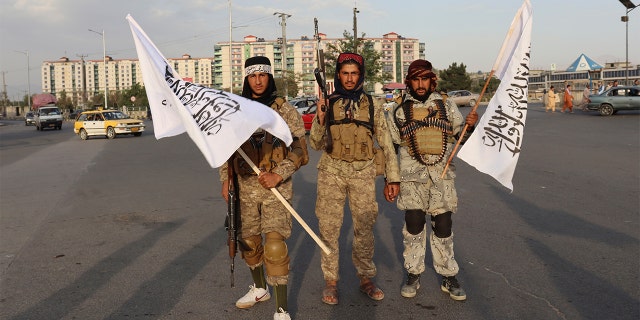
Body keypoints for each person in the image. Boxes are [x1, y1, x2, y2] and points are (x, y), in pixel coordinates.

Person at [218, 56, 308, 320]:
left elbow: (300, 150)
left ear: (270, 77)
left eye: (263, 75)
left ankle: (281, 308)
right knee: (248, 243)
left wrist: (278, 175)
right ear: (246, 79)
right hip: (244, 188)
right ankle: (259, 288)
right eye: (252, 76)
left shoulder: (284, 110)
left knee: (275, 246)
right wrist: (225, 178)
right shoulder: (237, 109)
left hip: (275, 190)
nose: (258, 81)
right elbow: (225, 147)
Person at [308, 52, 401, 305]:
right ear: (338, 75)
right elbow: (315, 143)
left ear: (361, 76)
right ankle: (331, 281)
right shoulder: (330, 102)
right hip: (331, 172)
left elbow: (386, 144)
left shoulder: (373, 105)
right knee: (329, 229)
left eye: (354, 74)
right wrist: (320, 117)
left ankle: (365, 278)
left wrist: (392, 179)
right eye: (345, 73)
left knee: (364, 228)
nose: (349, 79)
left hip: (363, 172)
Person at [384, 59, 477, 301]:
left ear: (431, 80)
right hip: (411, 177)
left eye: (425, 78)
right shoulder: (398, 110)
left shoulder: (446, 106)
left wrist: (471, 127)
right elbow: (390, 149)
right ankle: (413, 273)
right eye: (416, 79)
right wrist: (391, 180)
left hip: (442, 176)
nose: (420, 84)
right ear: (410, 82)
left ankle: (448, 275)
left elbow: (461, 137)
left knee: (443, 226)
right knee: (414, 224)